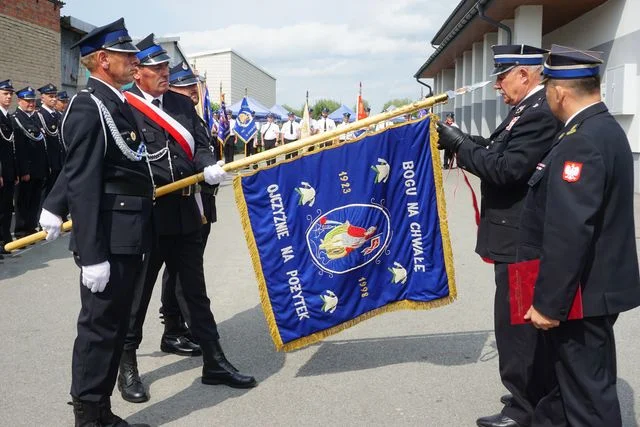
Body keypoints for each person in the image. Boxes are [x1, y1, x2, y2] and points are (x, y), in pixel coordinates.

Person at [118, 35, 255, 404]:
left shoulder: (180, 103)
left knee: (195, 292)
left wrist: (207, 165)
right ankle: (127, 364)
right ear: (137, 72)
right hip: (148, 216)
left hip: (185, 212)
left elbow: (201, 141)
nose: (164, 73)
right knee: (138, 294)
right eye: (156, 68)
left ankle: (214, 361)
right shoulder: (125, 107)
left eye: (166, 67)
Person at [436, 44, 561, 427]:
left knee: (516, 326)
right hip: (513, 233)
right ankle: (528, 392)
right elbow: (493, 150)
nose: (496, 86)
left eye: (501, 76)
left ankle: (523, 409)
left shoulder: (538, 114)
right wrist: (461, 139)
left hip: (521, 236)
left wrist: (458, 144)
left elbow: (506, 169)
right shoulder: (524, 111)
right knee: (515, 320)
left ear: (524, 74)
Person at [38, 17, 154, 426]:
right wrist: (91, 255)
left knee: (114, 324)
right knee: (99, 329)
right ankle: (88, 415)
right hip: (107, 238)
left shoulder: (115, 103)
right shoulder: (89, 106)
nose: (135, 61)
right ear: (103, 60)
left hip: (127, 234)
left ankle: (102, 409)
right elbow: (83, 180)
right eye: (127, 55)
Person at [519, 45, 640, 426]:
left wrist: (548, 304)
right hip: (594, 288)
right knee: (564, 388)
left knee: (589, 400)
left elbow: (570, 231)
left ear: (559, 91)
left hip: (581, 297)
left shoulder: (581, 140)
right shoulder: (603, 129)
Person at [11, 86, 48, 238]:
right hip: (27, 170)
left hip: (38, 168)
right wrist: (24, 170)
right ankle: (21, 231)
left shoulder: (34, 118)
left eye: (32, 101)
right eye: (27, 101)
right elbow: (19, 149)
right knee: (23, 201)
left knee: (34, 201)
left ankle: (31, 228)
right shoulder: (16, 119)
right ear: (19, 101)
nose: (31, 104)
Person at [37, 83, 66, 199]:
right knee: (46, 194)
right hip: (48, 161)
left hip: (59, 160)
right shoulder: (39, 115)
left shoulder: (58, 115)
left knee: (58, 193)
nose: (54, 99)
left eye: (55, 96)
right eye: (50, 96)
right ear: (42, 98)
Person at [0, 79, 17, 256]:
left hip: (9, 171)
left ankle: (5, 240)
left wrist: (15, 171)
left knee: (6, 208)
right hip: (1, 172)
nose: (9, 97)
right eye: (5, 93)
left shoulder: (7, 116)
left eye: (10, 93)